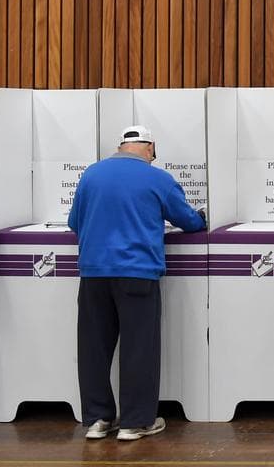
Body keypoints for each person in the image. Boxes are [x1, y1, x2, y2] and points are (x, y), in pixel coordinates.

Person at [67, 125, 207, 441]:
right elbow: (189, 221)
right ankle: (135, 422)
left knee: (94, 350)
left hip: (93, 273)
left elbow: (74, 221)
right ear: (150, 147)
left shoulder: (91, 174)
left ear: (121, 147)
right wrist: (202, 217)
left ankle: (98, 420)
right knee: (138, 348)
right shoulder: (157, 178)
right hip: (137, 272)